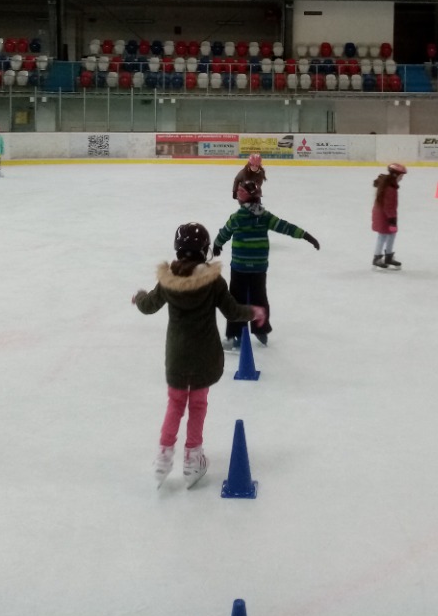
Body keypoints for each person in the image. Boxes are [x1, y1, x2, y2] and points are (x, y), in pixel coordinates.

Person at [132, 222, 266, 489]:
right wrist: (254, 311)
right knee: (197, 405)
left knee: (175, 403)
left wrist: (140, 296)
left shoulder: (168, 281)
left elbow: (148, 306)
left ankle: (163, 457)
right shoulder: (213, 281)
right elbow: (232, 311)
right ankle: (193, 459)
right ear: (205, 251)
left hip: (177, 357)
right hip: (204, 356)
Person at [213, 180, 319, 348]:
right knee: (259, 297)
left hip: (240, 267)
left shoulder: (237, 217)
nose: (238, 195)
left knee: (237, 300)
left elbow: (224, 233)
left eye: (240, 192)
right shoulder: (264, 216)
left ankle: (235, 336)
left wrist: (217, 245)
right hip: (259, 267)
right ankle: (261, 330)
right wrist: (306, 235)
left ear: (245, 197)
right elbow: (285, 227)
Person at [372, 163, 407, 269]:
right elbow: (389, 206)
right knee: (382, 236)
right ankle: (377, 257)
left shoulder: (389, 184)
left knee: (391, 234)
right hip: (384, 216)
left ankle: (388, 256)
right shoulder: (390, 188)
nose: (402, 178)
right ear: (395, 175)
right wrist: (392, 220)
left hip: (385, 214)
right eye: (401, 176)